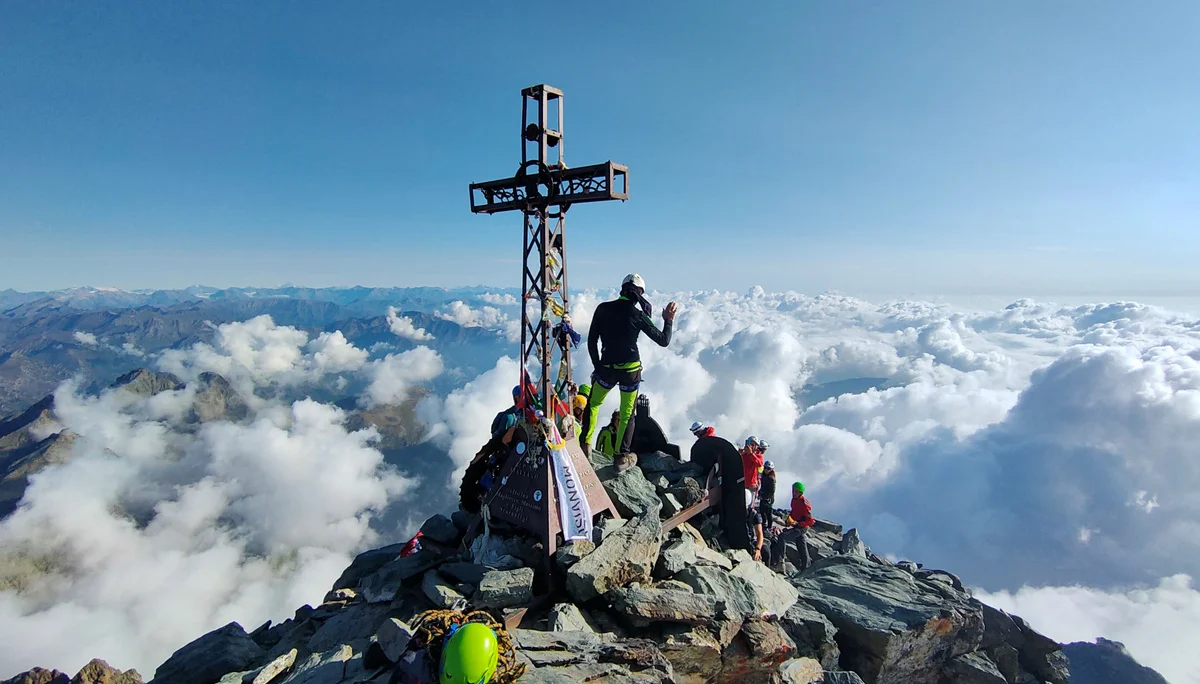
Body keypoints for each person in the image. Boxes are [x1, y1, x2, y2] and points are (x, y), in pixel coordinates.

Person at [580, 274, 677, 456]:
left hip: (607, 368)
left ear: (622, 289)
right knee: (627, 415)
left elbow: (592, 340)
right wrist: (668, 320)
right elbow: (663, 340)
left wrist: (597, 366)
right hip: (631, 370)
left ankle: (585, 444)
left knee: (593, 404)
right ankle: (621, 456)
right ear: (640, 293)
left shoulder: (602, 309)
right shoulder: (639, 315)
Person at [772, 481, 815, 572]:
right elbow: (794, 512)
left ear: (800, 493)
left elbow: (810, 521)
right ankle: (807, 566)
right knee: (801, 544)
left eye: (796, 491)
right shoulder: (794, 500)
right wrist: (789, 519)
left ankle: (780, 562)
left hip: (802, 527)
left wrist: (798, 524)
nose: (794, 493)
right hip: (797, 525)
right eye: (793, 490)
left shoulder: (805, 504)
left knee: (782, 537)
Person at [759, 459, 777, 532]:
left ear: (771, 469)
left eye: (768, 468)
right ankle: (764, 523)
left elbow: (772, 491)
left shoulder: (772, 479)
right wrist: (760, 492)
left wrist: (766, 497)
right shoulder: (763, 476)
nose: (766, 470)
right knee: (762, 511)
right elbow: (762, 486)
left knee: (768, 513)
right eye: (765, 468)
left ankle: (769, 527)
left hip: (769, 499)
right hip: (763, 496)